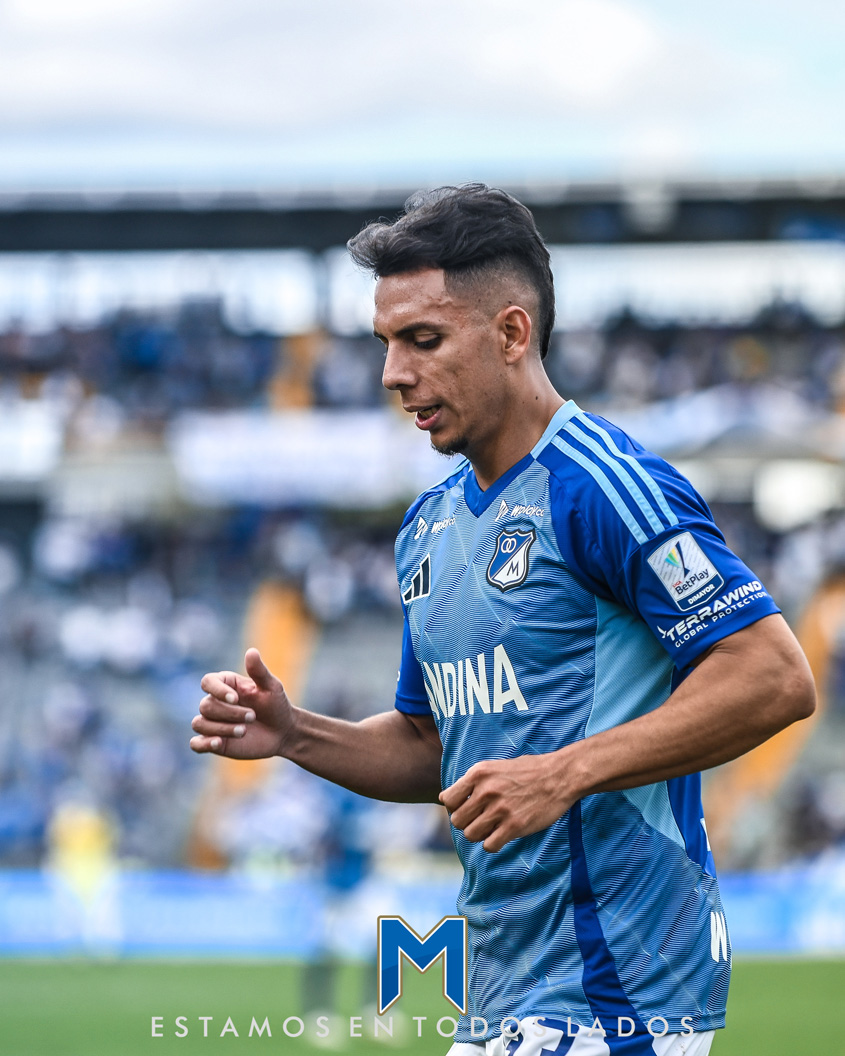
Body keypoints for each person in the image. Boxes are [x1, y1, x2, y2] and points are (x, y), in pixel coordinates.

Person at [190, 185, 816, 1056]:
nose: (392, 374)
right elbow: (432, 746)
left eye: (422, 340)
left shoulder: (602, 485)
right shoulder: (428, 525)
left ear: (512, 334)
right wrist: (298, 734)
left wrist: (563, 773)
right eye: (384, 344)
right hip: (503, 992)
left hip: (615, 991)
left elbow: (773, 676)